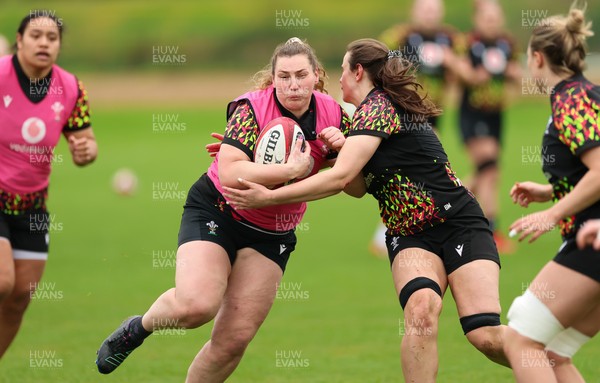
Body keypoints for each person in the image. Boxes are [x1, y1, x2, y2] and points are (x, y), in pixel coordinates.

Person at [222, 38, 510, 382]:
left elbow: (340, 177)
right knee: (421, 312)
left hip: (459, 221)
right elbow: (355, 186)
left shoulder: (380, 107)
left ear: (358, 71)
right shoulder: (360, 120)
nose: (338, 79)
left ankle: (547, 361)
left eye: (343, 70)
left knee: (485, 337)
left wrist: (270, 197)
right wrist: (247, 146)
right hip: (410, 234)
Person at [95, 37, 351, 382]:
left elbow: (352, 183)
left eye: (301, 75)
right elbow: (231, 173)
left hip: (271, 233)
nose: (293, 85)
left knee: (233, 342)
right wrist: (291, 171)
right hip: (218, 210)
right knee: (196, 306)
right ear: (273, 79)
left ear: (316, 75)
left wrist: (340, 150)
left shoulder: (334, 114)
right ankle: (137, 328)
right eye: (284, 76)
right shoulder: (251, 108)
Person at [503, 3, 600, 382]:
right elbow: (586, 172)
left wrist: (552, 214)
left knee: (520, 340)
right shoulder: (587, 92)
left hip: (591, 239)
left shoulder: (570, 100)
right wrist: (549, 191)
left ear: (538, 58)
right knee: (556, 353)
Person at [0, 11, 97, 358]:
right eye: (36, 36)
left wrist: (86, 150)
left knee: (18, 300)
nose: (44, 43)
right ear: (20, 39)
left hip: (32, 208)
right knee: (2, 281)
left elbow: (85, 142)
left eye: (52, 38)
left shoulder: (71, 87)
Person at [368, 0, 460, 258]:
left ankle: (401, 226)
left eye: (434, 10)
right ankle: (421, 225)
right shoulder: (399, 37)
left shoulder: (450, 39)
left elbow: (465, 75)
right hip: (404, 113)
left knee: (413, 172)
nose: (430, 15)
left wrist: (453, 63)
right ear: (414, 12)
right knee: (426, 168)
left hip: (433, 114)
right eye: (425, 10)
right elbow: (376, 63)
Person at [447, 0, 521, 254]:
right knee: (489, 169)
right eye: (488, 18)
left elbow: (518, 73)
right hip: (472, 114)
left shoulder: (506, 44)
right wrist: (470, 75)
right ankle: (492, 230)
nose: (493, 22)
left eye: (496, 17)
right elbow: (455, 67)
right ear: (477, 20)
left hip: (495, 116)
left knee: (487, 172)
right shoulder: (467, 43)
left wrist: (514, 73)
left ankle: (448, 203)